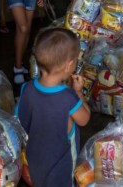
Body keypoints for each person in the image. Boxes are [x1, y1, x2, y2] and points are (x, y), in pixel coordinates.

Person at [15, 28, 91, 187]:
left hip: (35, 161)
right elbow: (84, 119)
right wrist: (78, 91)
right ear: (69, 65)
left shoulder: (27, 88)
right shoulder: (68, 97)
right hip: (62, 168)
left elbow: (19, 120)